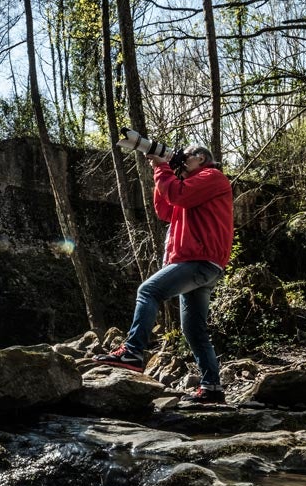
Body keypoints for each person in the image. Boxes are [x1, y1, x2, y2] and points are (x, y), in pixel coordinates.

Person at [95, 144, 234, 404]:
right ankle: (212, 388)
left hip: (198, 260)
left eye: (186, 156)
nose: (181, 160)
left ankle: (133, 352)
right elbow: (166, 209)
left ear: (201, 158)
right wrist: (165, 172)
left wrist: (162, 167)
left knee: (148, 291)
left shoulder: (211, 177)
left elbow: (178, 197)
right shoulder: (192, 187)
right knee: (193, 329)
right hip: (201, 263)